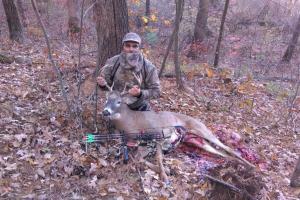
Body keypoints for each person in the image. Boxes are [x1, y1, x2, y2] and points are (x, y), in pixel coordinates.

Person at [97, 32, 160, 111]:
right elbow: (107, 86)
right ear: (123, 46)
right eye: (127, 46)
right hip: (116, 106)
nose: (131, 49)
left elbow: (156, 92)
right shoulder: (112, 62)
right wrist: (102, 84)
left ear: (139, 48)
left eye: (135, 46)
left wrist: (140, 93)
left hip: (139, 107)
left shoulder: (148, 67)